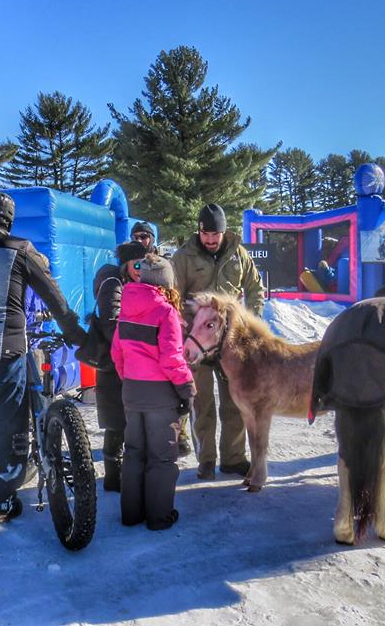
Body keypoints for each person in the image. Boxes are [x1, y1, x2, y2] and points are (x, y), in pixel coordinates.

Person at [0, 191, 87, 523]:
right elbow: (53, 295)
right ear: (8, 219)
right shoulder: (20, 249)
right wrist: (74, 331)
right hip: (5, 349)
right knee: (5, 426)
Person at [171, 203, 264, 479]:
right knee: (202, 403)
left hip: (229, 341)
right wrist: (182, 327)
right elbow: (173, 294)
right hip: (198, 342)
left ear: (224, 231)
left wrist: (251, 318)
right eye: (205, 234)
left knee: (234, 401)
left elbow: (255, 287)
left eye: (215, 234)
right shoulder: (184, 256)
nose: (210, 240)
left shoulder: (239, 253)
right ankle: (207, 460)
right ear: (199, 231)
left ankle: (233, 458)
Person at [110, 254, 195, 530]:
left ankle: (131, 514)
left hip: (132, 391)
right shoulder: (165, 312)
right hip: (160, 394)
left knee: (134, 452)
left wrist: (129, 380)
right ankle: (159, 517)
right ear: (165, 282)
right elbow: (172, 358)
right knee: (161, 456)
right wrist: (186, 388)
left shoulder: (125, 308)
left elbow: (117, 353)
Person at [90, 240, 148, 492]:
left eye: (145, 264)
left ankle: (126, 471)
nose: (141, 269)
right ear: (125, 263)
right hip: (112, 362)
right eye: (137, 264)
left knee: (128, 418)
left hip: (128, 359)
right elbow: (110, 323)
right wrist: (135, 344)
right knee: (116, 422)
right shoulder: (114, 284)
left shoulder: (134, 282)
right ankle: (113, 477)